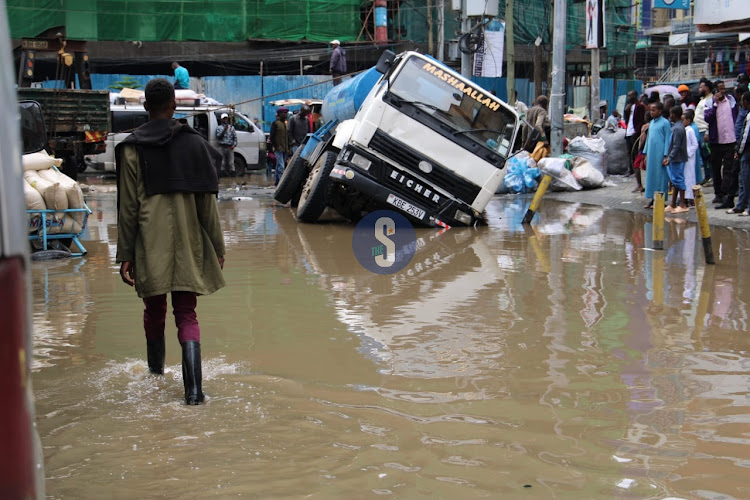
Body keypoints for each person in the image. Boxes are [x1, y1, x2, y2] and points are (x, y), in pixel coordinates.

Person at [115, 78, 225, 405]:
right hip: (190, 241)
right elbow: (208, 204)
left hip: (150, 242)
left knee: (154, 309)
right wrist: (217, 248)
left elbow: (129, 208)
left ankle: (155, 377)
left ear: (146, 107)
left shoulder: (133, 148)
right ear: (173, 106)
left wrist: (125, 254)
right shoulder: (195, 144)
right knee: (187, 313)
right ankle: (194, 393)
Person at [704, 79, 739, 208]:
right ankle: (717, 193)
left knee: (729, 168)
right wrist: (715, 104)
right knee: (716, 168)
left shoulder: (731, 100)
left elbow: (736, 115)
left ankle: (725, 192)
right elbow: (707, 118)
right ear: (715, 91)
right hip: (716, 141)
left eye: (724, 89)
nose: (723, 91)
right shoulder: (709, 102)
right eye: (720, 89)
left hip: (730, 139)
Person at [642, 102, 671, 209]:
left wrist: (665, 155)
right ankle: (652, 198)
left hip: (660, 153)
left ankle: (661, 200)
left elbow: (668, 139)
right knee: (651, 176)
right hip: (651, 153)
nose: (651, 112)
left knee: (661, 177)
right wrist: (645, 153)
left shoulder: (665, 123)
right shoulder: (652, 122)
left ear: (660, 111)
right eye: (650, 110)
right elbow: (649, 139)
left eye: (654, 110)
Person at [663, 106, 689, 213]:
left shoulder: (678, 129)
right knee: (675, 181)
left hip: (677, 158)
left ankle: (682, 204)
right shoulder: (676, 127)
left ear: (674, 114)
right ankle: (673, 203)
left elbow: (676, 146)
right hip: (675, 158)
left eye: (671, 113)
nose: (670, 116)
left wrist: (669, 158)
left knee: (678, 180)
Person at [624, 90, 646, 183]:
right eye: (628, 96)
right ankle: (631, 169)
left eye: (631, 96)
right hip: (628, 132)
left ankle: (636, 170)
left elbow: (641, 120)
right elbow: (627, 119)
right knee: (629, 152)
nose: (629, 97)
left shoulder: (640, 106)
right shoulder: (629, 107)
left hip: (634, 132)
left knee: (634, 153)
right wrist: (626, 110)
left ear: (635, 96)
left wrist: (637, 132)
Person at [684, 109, 704, 206]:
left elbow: (695, 144)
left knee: (692, 177)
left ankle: (692, 199)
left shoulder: (692, 129)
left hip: (692, 156)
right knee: (688, 177)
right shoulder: (687, 128)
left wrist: (688, 152)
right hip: (687, 157)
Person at [270, 106, 290, 185]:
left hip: (285, 148)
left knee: (279, 165)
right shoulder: (275, 123)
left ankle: (277, 182)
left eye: (286, 113)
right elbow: (272, 136)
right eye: (284, 113)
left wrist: (288, 147)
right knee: (281, 166)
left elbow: (287, 137)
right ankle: (281, 183)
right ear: (280, 114)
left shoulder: (285, 124)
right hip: (278, 148)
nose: (286, 115)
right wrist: (276, 146)